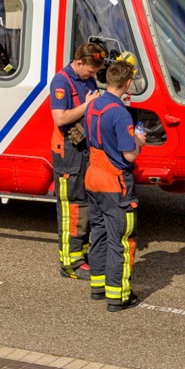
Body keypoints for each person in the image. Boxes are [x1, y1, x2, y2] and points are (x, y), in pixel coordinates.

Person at [83, 60, 145, 312]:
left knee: (98, 232)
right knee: (121, 238)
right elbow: (129, 155)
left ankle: (98, 287)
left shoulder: (94, 104)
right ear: (128, 83)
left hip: (93, 175)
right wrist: (139, 141)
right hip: (114, 181)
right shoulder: (120, 113)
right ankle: (118, 297)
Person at [50, 42, 106, 279]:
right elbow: (61, 118)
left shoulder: (86, 79)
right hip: (68, 155)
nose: (92, 76)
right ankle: (70, 264)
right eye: (90, 72)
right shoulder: (61, 82)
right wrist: (87, 105)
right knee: (71, 208)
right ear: (79, 62)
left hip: (83, 150)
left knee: (84, 207)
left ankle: (81, 256)